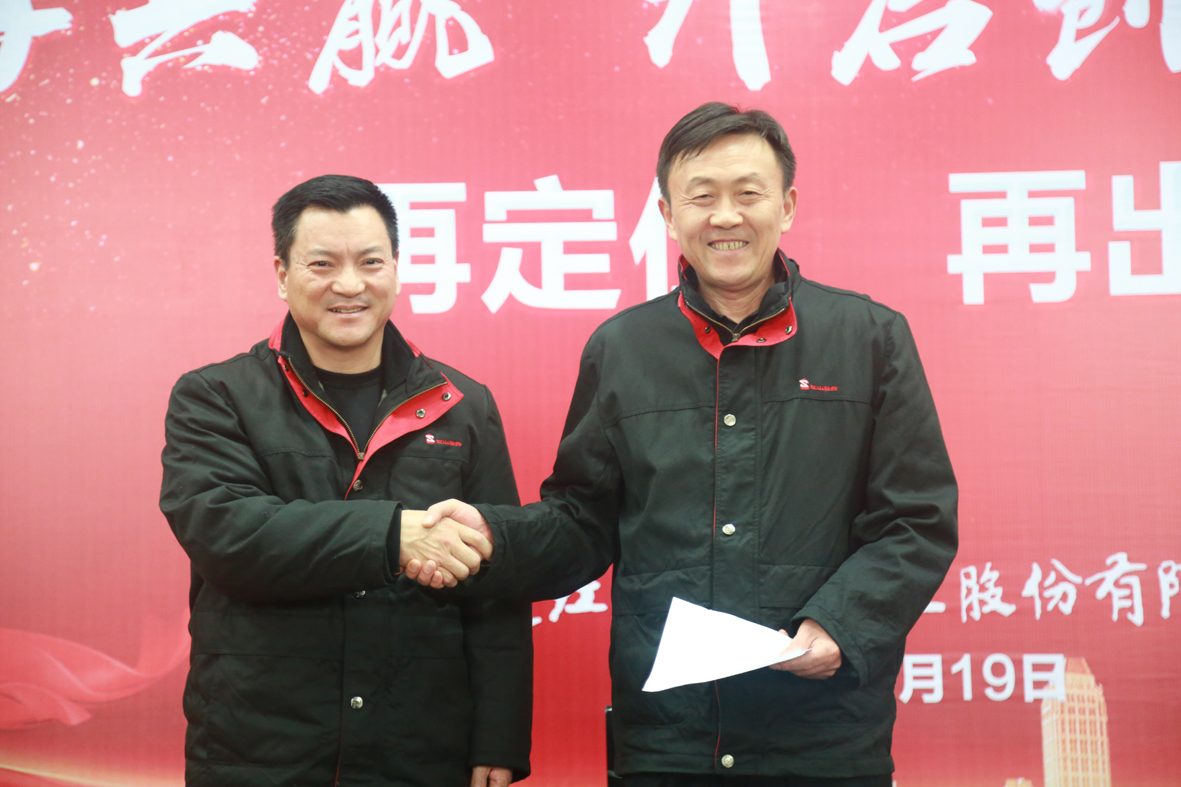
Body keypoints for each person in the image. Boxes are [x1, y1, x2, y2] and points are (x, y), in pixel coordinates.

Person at [413, 103, 959, 785]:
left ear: (786, 206)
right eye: (701, 197)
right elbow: (583, 520)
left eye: (747, 193)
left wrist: (840, 625)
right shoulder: (622, 348)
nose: (725, 216)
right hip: (667, 737)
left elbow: (915, 519)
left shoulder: (869, 338)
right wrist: (495, 537)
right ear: (668, 215)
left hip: (822, 733)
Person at [160, 174, 531, 787]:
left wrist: (499, 734)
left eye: (370, 262)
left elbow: (495, 582)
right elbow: (227, 535)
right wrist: (391, 536)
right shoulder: (216, 396)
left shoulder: (463, 405)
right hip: (260, 744)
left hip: (418, 744)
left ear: (397, 269)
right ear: (282, 274)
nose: (350, 285)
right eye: (323, 264)